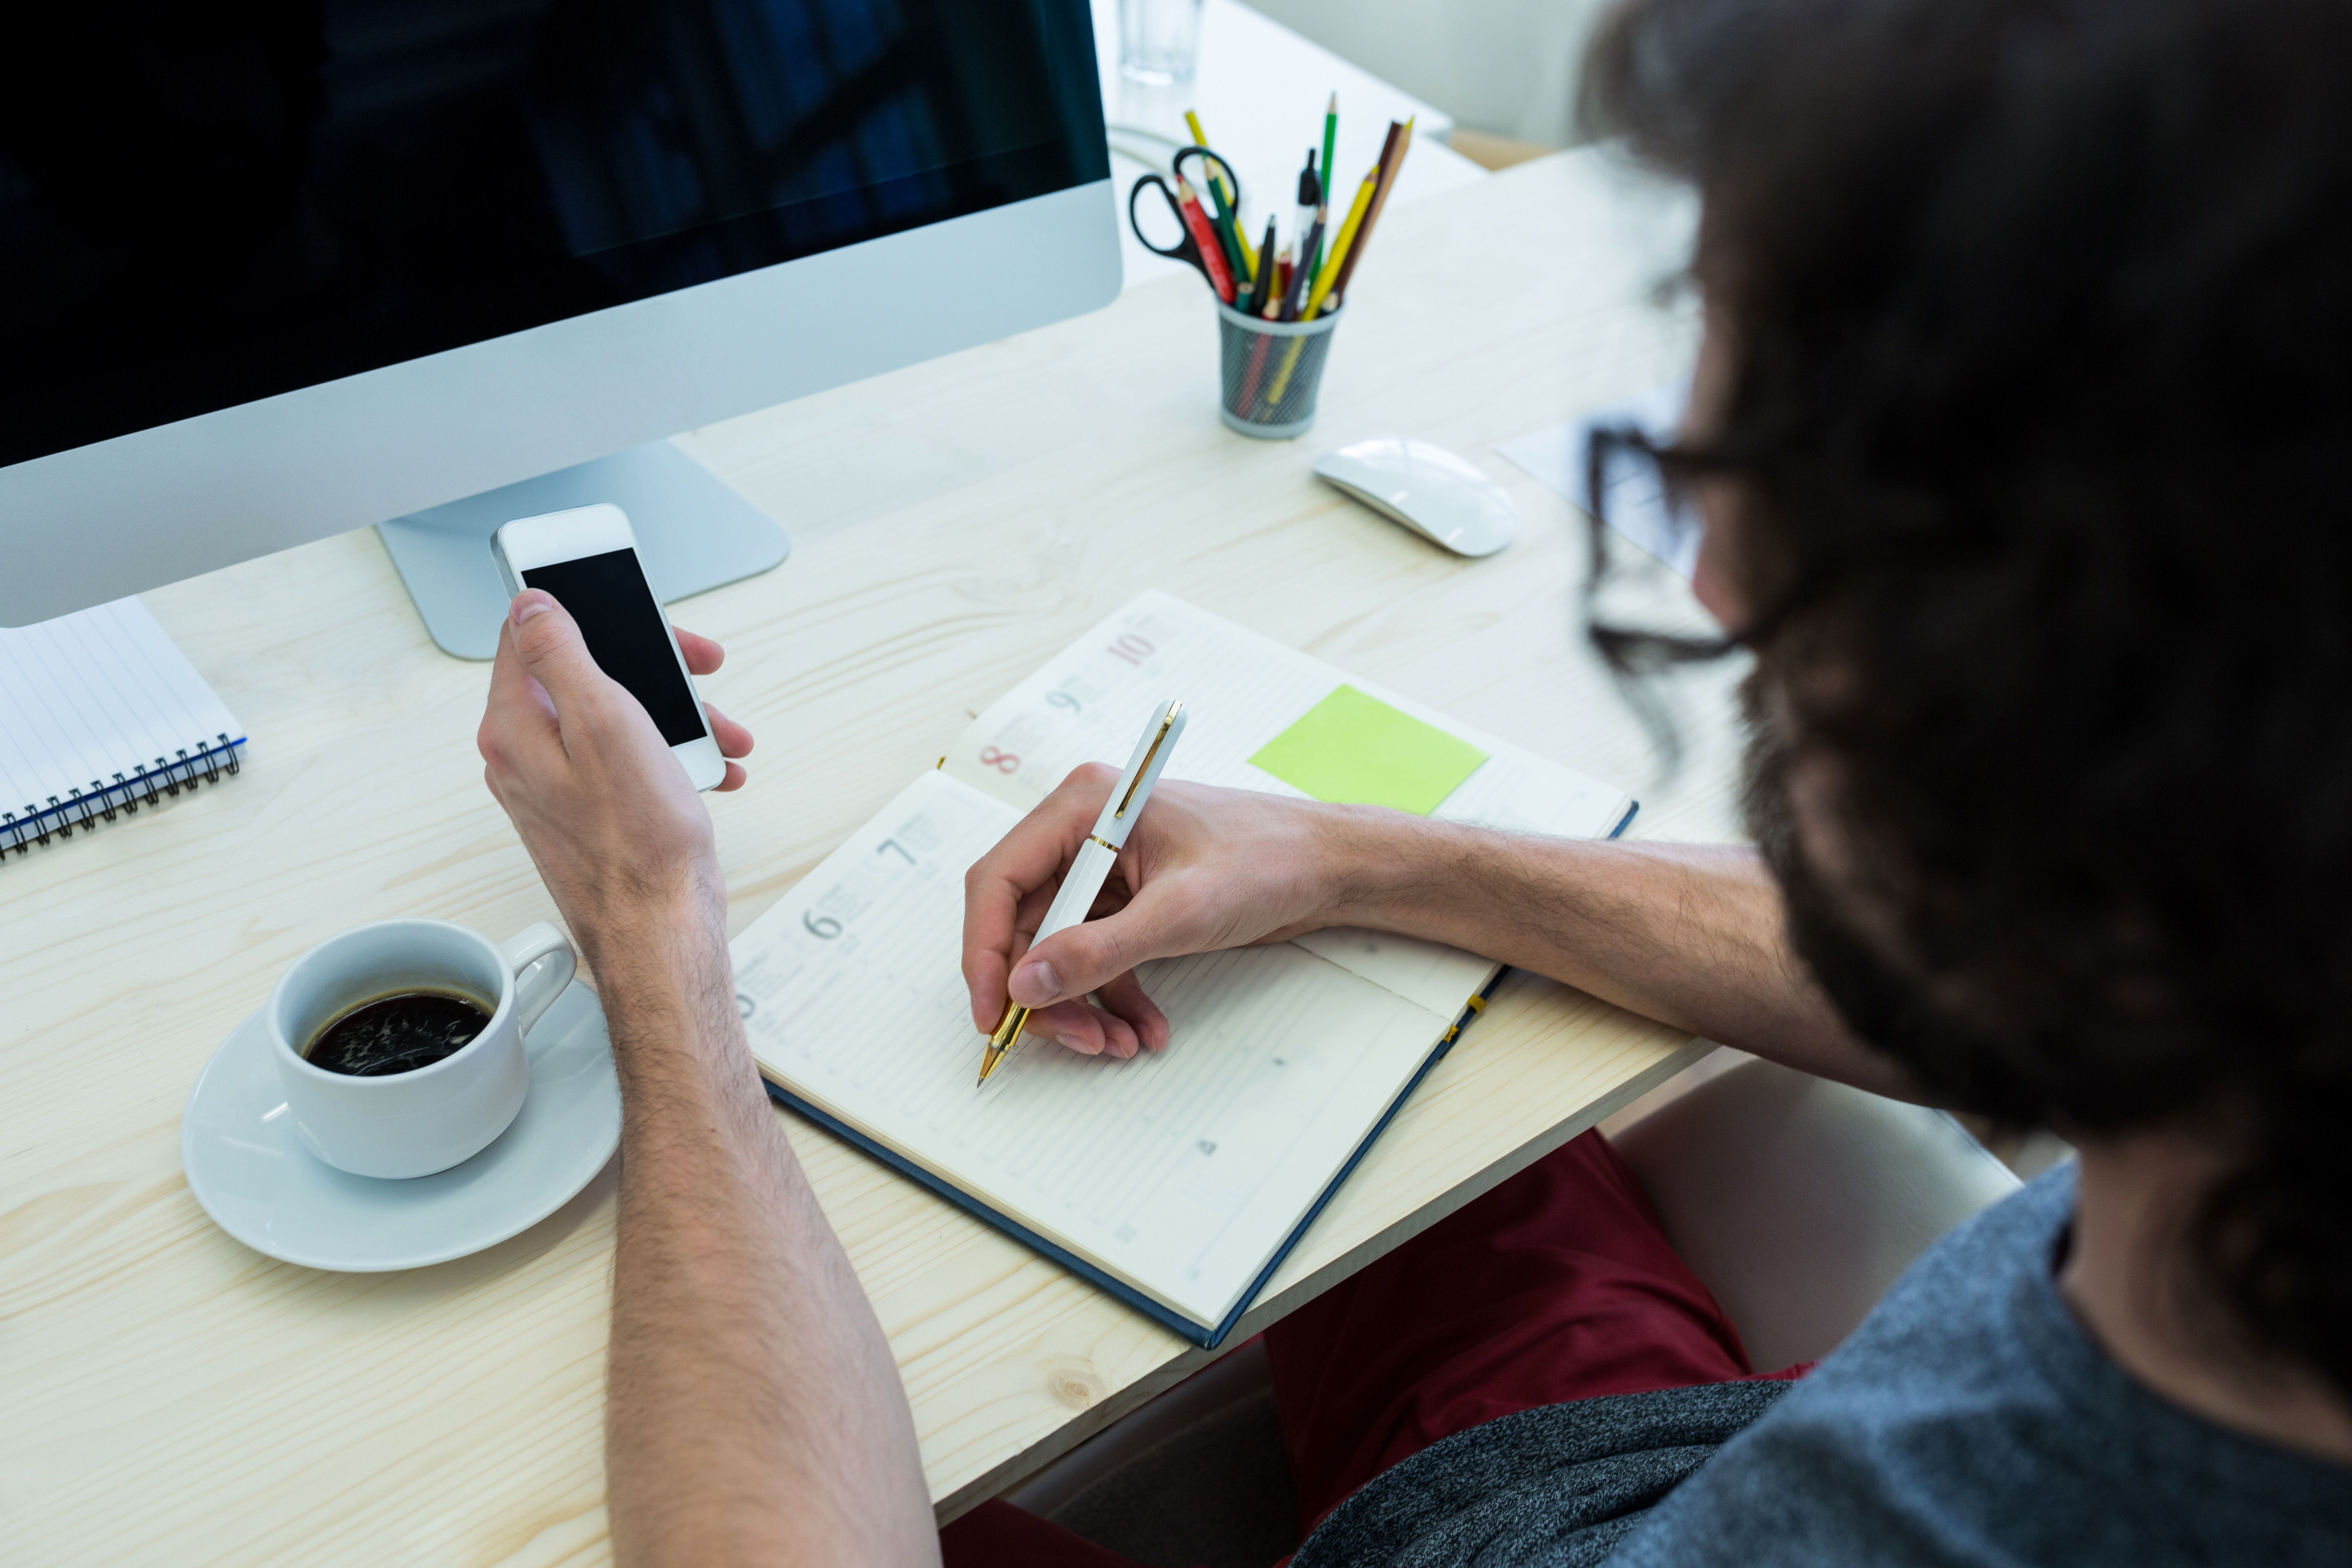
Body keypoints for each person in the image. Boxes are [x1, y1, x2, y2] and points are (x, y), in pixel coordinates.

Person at [472, 0, 2352, 1561]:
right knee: (1412, 1139)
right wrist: (1356, 860)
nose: (1713, 574)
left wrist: (661, 957)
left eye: (1788, 452)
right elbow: (2042, 972)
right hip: (1651, 1468)